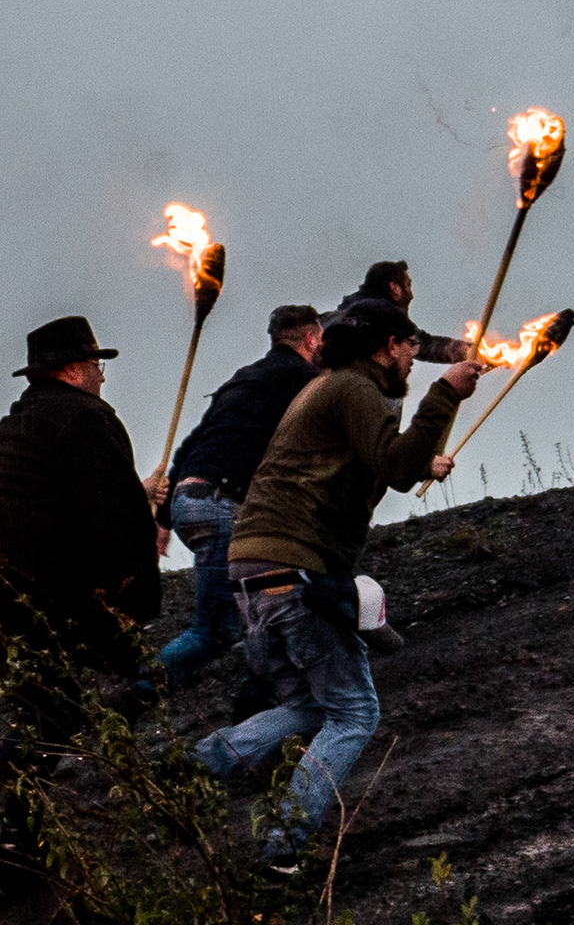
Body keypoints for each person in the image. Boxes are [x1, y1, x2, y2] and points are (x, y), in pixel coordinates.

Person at [191, 297, 481, 868]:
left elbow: (382, 469)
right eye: (410, 346)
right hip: (291, 569)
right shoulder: (353, 388)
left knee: (307, 706)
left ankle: (195, 767)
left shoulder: (326, 387)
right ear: (388, 347)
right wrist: (444, 395)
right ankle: (283, 847)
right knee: (355, 714)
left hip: (254, 568)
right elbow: (395, 467)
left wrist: (423, 455)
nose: (414, 356)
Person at [0, 316, 163, 899]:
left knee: (49, 713)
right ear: (74, 368)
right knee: (53, 718)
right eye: (96, 364)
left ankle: (18, 853)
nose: (102, 375)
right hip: (32, 601)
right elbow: (113, 520)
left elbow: (53, 505)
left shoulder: (19, 422)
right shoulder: (87, 419)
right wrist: (135, 602)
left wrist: (137, 496)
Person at [152, 303, 326, 681]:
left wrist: (163, 520)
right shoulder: (305, 379)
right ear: (312, 337)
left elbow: (192, 443)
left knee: (257, 611)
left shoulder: (244, 378)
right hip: (221, 506)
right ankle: (135, 691)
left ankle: (260, 693)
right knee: (215, 631)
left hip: (187, 501)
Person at [330, 260, 473, 363]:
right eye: (408, 285)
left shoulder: (335, 318)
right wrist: (470, 352)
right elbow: (425, 345)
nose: (411, 295)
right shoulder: (383, 318)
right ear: (395, 288)